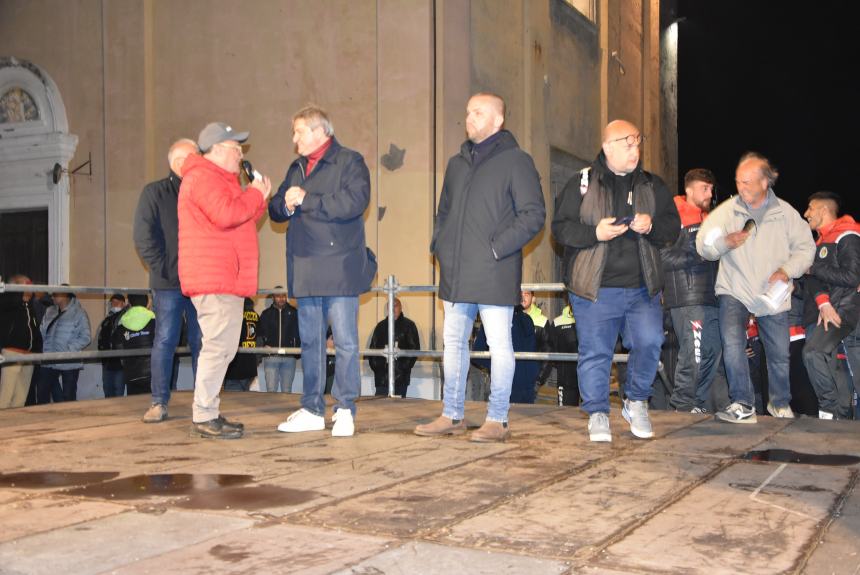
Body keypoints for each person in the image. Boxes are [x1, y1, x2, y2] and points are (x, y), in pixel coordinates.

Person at [414, 92, 545, 443]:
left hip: (493, 269)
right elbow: (444, 212)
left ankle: (498, 419)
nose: (469, 117)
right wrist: (439, 244)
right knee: (454, 341)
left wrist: (496, 248)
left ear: (498, 120)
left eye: (478, 112)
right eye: (468, 111)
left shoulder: (516, 161)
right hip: (456, 271)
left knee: (499, 344)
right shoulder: (457, 164)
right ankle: (452, 414)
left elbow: (533, 214)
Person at [552, 119, 680, 442]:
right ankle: (596, 412)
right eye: (627, 142)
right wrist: (594, 233)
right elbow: (560, 228)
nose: (635, 149)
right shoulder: (582, 182)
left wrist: (651, 226)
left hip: (642, 289)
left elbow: (672, 228)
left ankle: (636, 401)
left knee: (651, 342)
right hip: (594, 289)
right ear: (608, 146)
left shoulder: (653, 185)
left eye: (637, 142)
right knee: (596, 352)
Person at [269, 106, 377, 438]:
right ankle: (313, 408)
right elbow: (276, 208)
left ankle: (344, 408)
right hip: (305, 266)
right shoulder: (297, 167)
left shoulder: (350, 162)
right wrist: (284, 204)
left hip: (339, 266)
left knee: (344, 341)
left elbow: (355, 202)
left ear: (320, 132)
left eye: (299, 131)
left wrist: (308, 199)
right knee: (311, 342)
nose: (294, 138)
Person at [697, 152, 815, 423]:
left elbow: (806, 248)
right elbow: (703, 245)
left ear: (765, 182)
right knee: (733, 344)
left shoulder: (785, 213)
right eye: (739, 181)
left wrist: (787, 271)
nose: (742, 187)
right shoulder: (727, 212)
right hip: (734, 288)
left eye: (748, 182)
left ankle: (780, 403)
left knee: (778, 351)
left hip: (771, 294)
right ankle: (742, 403)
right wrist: (724, 242)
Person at [178, 122, 271, 439]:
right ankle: (204, 414)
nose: (241, 153)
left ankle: (208, 411)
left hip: (224, 275)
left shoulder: (219, 179)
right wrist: (255, 194)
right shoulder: (202, 177)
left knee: (223, 348)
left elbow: (240, 218)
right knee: (218, 347)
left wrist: (258, 197)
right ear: (217, 149)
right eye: (236, 147)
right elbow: (226, 214)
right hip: (214, 276)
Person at [134, 138, 203, 423]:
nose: (199, 160)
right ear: (177, 163)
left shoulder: (201, 192)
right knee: (165, 339)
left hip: (200, 281)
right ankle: (159, 402)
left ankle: (205, 403)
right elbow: (143, 237)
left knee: (203, 342)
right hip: (169, 283)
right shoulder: (155, 193)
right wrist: (164, 270)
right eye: (194, 156)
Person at [660, 168, 722, 413]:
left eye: (711, 189)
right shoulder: (673, 217)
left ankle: (696, 403)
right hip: (687, 298)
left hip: (713, 298)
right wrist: (698, 255)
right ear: (688, 189)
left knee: (713, 352)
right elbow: (661, 257)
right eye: (704, 188)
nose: (709, 193)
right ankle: (682, 405)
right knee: (692, 355)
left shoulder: (710, 220)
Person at [801, 191, 860, 419]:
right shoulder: (821, 241)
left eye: (810, 208)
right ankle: (839, 415)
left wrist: (813, 269)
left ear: (824, 210)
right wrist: (823, 302)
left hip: (846, 312)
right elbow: (814, 279)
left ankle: (830, 409)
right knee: (832, 366)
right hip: (831, 312)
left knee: (813, 353)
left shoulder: (847, 235)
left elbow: (852, 277)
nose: (806, 214)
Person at [472, 304, 539, 403]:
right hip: (525, 386)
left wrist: (495, 365)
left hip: (507, 384)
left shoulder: (494, 319)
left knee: (503, 416)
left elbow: (477, 354)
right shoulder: (526, 319)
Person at [37, 288, 91, 402]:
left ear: (65, 295)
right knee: (42, 390)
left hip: (69, 361)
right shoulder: (50, 310)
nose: (52, 297)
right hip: (49, 359)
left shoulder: (79, 313)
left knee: (68, 395)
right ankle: (43, 417)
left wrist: (68, 350)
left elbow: (86, 338)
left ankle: (68, 418)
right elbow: (42, 331)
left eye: (55, 294)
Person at [0, 275, 42, 409]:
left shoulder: (30, 307)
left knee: (21, 398)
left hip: (28, 356)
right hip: (13, 353)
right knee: (6, 395)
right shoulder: (8, 304)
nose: (30, 286)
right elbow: (8, 300)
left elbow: (34, 330)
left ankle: (14, 426)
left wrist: (37, 351)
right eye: (26, 284)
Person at [368, 297, 420, 398]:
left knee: (398, 409)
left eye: (395, 305)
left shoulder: (409, 326)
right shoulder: (380, 327)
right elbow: (372, 351)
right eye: (390, 306)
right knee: (380, 408)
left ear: (401, 307)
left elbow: (414, 351)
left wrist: (401, 367)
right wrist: (377, 367)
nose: (393, 308)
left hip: (400, 379)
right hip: (382, 379)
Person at [257, 287, 300, 392]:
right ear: (273, 297)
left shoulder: (294, 313)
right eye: (278, 296)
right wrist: (263, 346)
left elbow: (300, 332)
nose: (281, 298)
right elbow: (259, 333)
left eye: (284, 296)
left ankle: (285, 409)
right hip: (271, 357)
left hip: (289, 357)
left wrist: (296, 350)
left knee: (287, 390)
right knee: (271, 390)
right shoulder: (266, 314)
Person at [112, 293, 155, 395]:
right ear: (147, 304)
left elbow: (117, 346)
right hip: (154, 373)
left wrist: (126, 363)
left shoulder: (122, 323)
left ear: (129, 304)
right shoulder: (155, 321)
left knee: (135, 406)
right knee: (154, 405)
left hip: (132, 374)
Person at [223, 298, 260, 391]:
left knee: (233, 402)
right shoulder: (256, 316)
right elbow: (260, 339)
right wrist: (257, 360)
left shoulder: (235, 315)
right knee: (245, 399)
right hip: (251, 367)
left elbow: (228, 338)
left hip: (235, 368)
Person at [520, 290, 554, 390]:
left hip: (531, 380)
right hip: (511, 378)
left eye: (526, 294)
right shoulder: (510, 318)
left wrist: (539, 379)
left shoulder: (542, 321)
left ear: (533, 298)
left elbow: (548, 351)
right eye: (520, 294)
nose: (523, 297)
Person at [97, 293, 127, 398]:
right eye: (112, 302)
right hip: (107, 361)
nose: (114, 305)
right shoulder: (107, 319)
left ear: (123, 304)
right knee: (107, 389)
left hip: (119, 362)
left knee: (118, 390)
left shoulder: (126, 318)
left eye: (116, 302)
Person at [552, 304, 579, 406]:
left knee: (589, 416)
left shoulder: (592, 319)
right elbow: (551, 348)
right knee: (565, 414)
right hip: (566, 380)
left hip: (588, 379)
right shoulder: (557, 322)